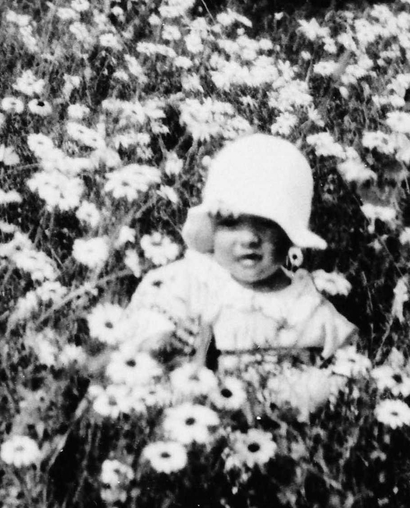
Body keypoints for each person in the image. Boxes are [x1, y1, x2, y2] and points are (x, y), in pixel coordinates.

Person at [128, 133, 358, 412]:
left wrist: (320, 388)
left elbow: (350, 365)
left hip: (273, 431)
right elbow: (141, 325)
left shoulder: (306, 308)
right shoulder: (188, 282)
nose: (249, 238)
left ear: (290, 236)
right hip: (188, 420)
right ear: (212, 227)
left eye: (267, 224)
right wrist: (162, 341)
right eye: (232, 222)